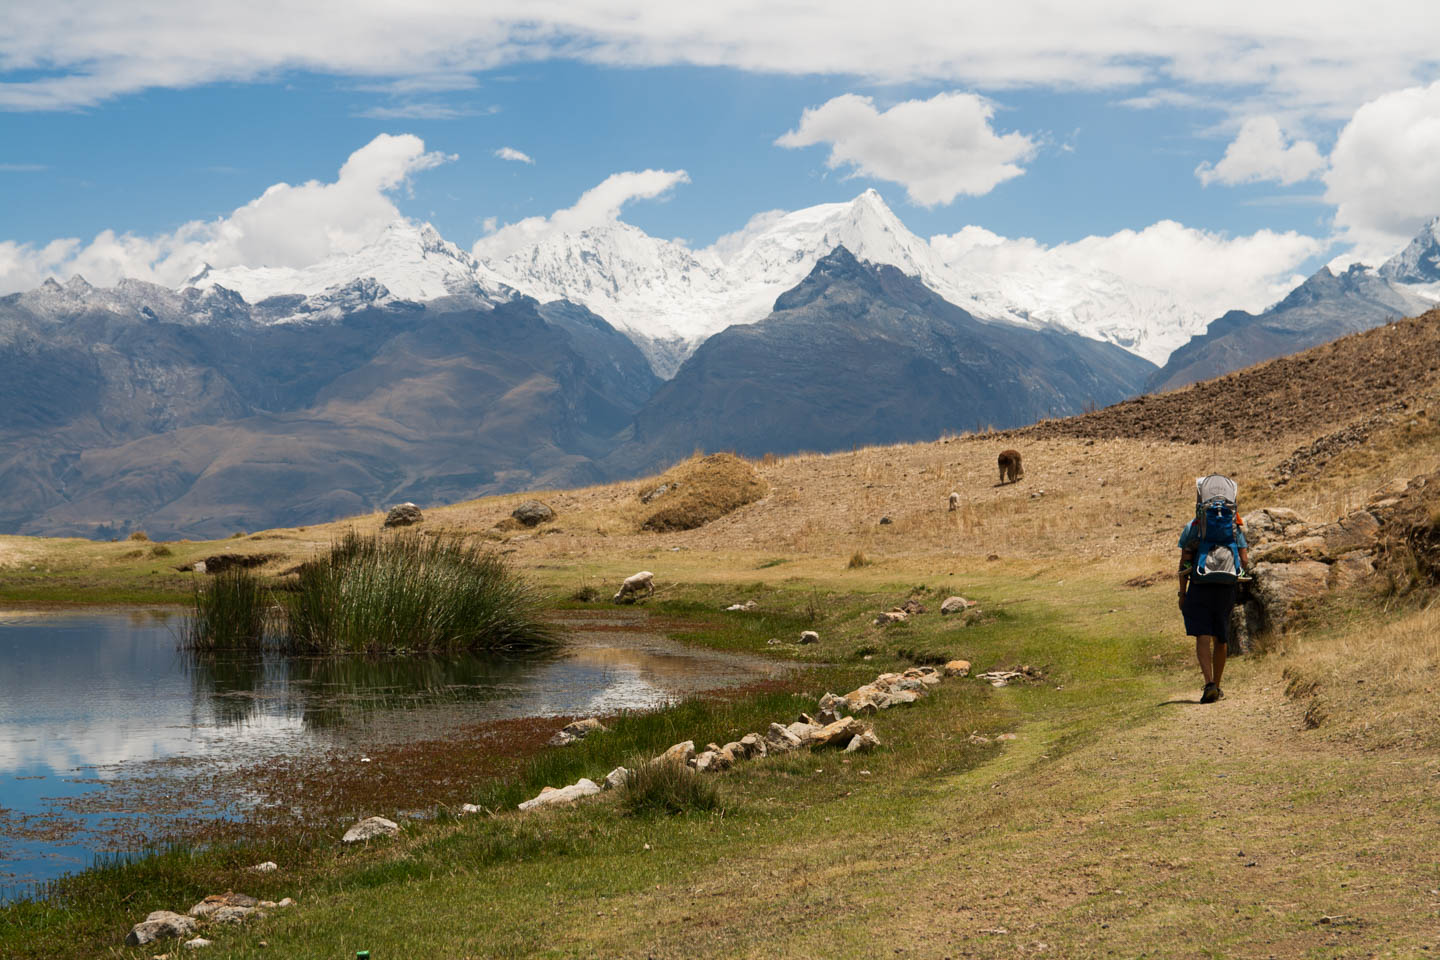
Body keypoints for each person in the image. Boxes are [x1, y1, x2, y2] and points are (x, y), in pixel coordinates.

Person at [1177, 475, 1251, 704]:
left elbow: (1185, 563)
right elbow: (1245, 560)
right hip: (1226, 587)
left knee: (1202, 635)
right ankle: (1217, 686)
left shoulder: (1194, 526)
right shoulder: (1233, 525)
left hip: (1200, 586)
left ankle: (1208, 682)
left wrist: (1182, 592)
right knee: (1221, 636)